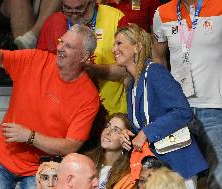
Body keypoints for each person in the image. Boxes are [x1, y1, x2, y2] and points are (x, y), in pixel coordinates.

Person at [0, 24, 99, 189]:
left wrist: (30, 136)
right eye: (62, 41)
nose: (60, 47)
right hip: (1, 157)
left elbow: (71, 145)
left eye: (69, 46)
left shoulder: (88, 96)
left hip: (41, 169)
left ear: (84, 57)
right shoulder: (35, 59)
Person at [84, 23, 208, 189]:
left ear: (137, 46)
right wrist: (131, 135)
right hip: (156, 166)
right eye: (114, 44)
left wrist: (145, 132)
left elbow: (183, 112)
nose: (114, 49)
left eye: (119, 43)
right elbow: (146, 124)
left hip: (177, 165)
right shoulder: (132, 83)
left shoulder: (155, 72)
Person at [152, 0, 222, 188]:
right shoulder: (162, 12)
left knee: (219, 176)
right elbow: (158, 56)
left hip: (215, 107)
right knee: (179, 176)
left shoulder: (219, 6)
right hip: (178, 110)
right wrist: (164, 97)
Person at [37, 0, 127, 115]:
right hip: (65, 112)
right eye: (67, 9)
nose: (74, 15)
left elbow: (128, 69)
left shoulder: (116, 18)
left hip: (110, 114)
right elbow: (41, 69)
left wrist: (94, 70)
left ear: (93, 2)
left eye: (79, 9)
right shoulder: (53, 23)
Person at [86, 113, 135, 189]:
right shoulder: (87, 160)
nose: (107, 132)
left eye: (116, 130)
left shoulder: (129, 174)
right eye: (107, 126)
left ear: (127, 138)